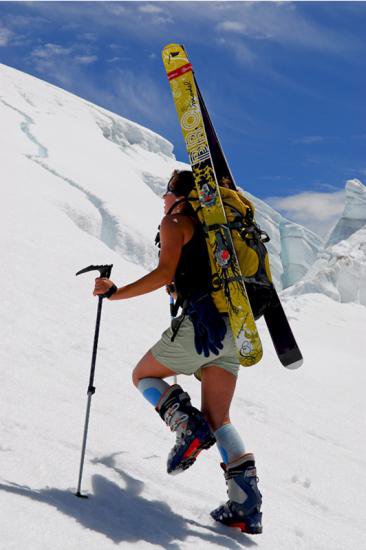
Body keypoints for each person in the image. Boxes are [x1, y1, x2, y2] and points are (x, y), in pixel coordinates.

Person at [93, 169, 263, 534]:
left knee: (143, 375)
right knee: (219, 418)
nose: (164, 199)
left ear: (183, 196)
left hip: (203, 327)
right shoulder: (219, 229)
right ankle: (245, 504)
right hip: (235, 328)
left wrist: (115, 292)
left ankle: (186, 427)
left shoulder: (175, 222)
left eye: (168, 193)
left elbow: (162, 272)